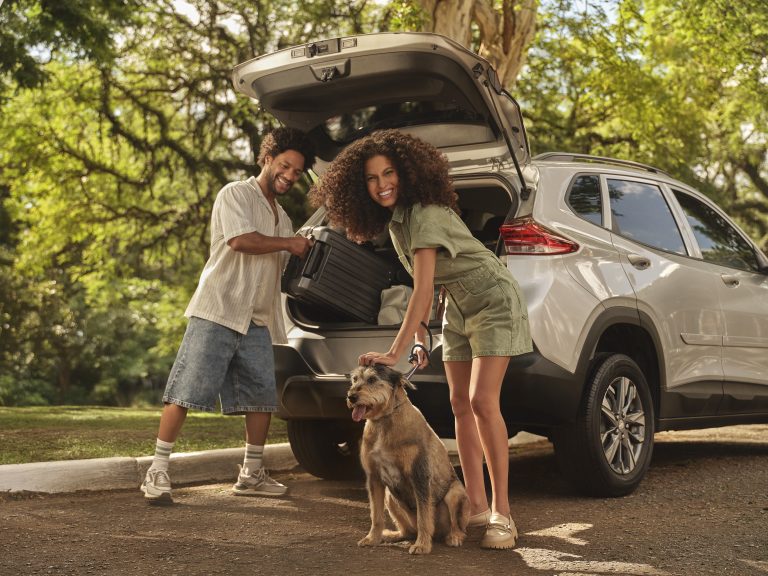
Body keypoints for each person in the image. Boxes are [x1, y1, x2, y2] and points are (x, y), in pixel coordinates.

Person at [310, 129, 532, 549]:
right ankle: (476, 506)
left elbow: (424, 289)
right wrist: (417, 340)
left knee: (482, 401)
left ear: (407, 173)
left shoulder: (426, 213)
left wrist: (394, 352)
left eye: (388, 173)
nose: (381, 184)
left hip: (492, 299)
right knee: (459, 403)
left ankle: (503, 513)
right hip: (458, 307)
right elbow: (422, 286)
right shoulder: (398, 222)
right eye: (371, 178)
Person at [141, 127, 316, 504]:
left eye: (297, 172)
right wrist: (290, 243)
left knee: (261, 399)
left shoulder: (283, 218)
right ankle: (157, 469)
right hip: (218, 309)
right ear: (267, 159)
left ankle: (251, 475)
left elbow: (282, 268)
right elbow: (240, 240)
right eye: (285, 165)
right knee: (185, 390)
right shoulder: (235, 194)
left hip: (257, 319)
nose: (289, 175)